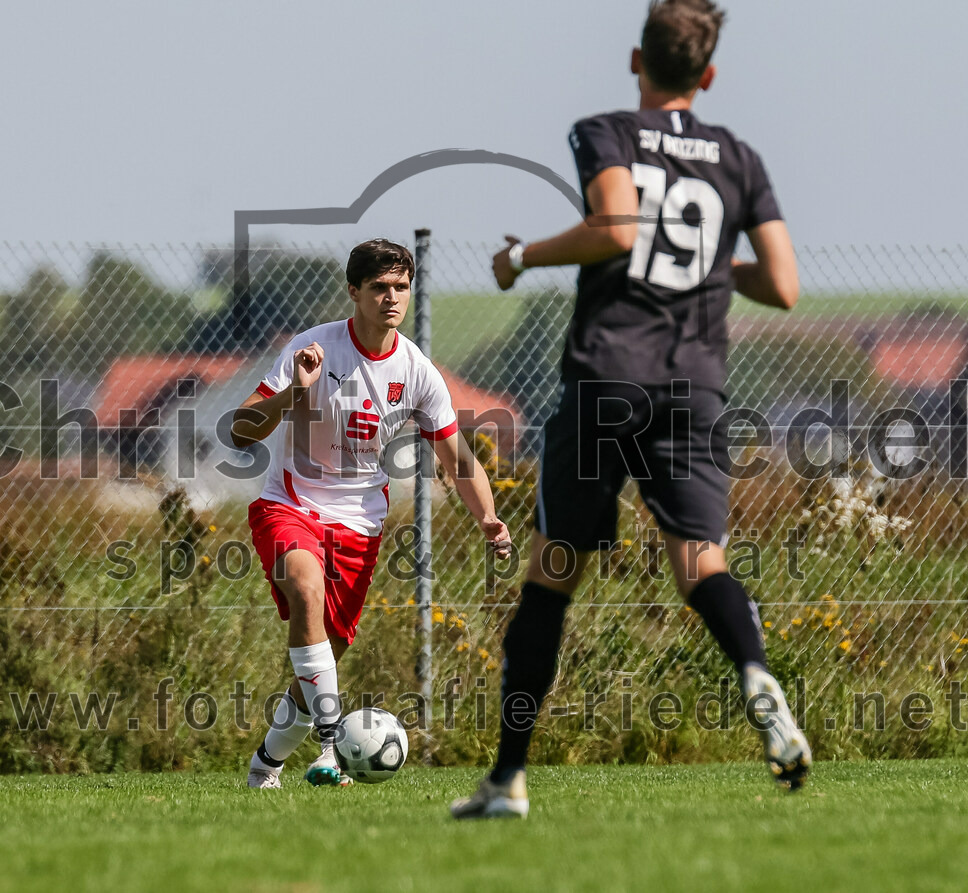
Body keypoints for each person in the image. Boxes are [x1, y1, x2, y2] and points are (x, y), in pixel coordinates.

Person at [451, 0, 810, 819]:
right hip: (693, 385)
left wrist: (521, 256)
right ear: (708, 75)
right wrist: (720, 264)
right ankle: (754, 671)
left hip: (609, 375)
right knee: (700, 561)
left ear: (635, 61)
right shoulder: (739, 158)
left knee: (552, 578)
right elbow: (784, 284)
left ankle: (508, 778)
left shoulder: (606, 130)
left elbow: (615, 228)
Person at [234, 238, 511, 789]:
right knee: (305, 587)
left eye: (401, 287)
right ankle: (334, 745)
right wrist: (294, 392)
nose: (392, 298)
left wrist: (488, 517)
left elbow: (459, 461)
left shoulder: (417, 372)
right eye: (379, 287)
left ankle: (265, 766)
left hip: (360, 524)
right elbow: (242, 430)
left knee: (320, 663)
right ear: (354, 291)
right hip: (289, 504)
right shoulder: (311, 350)